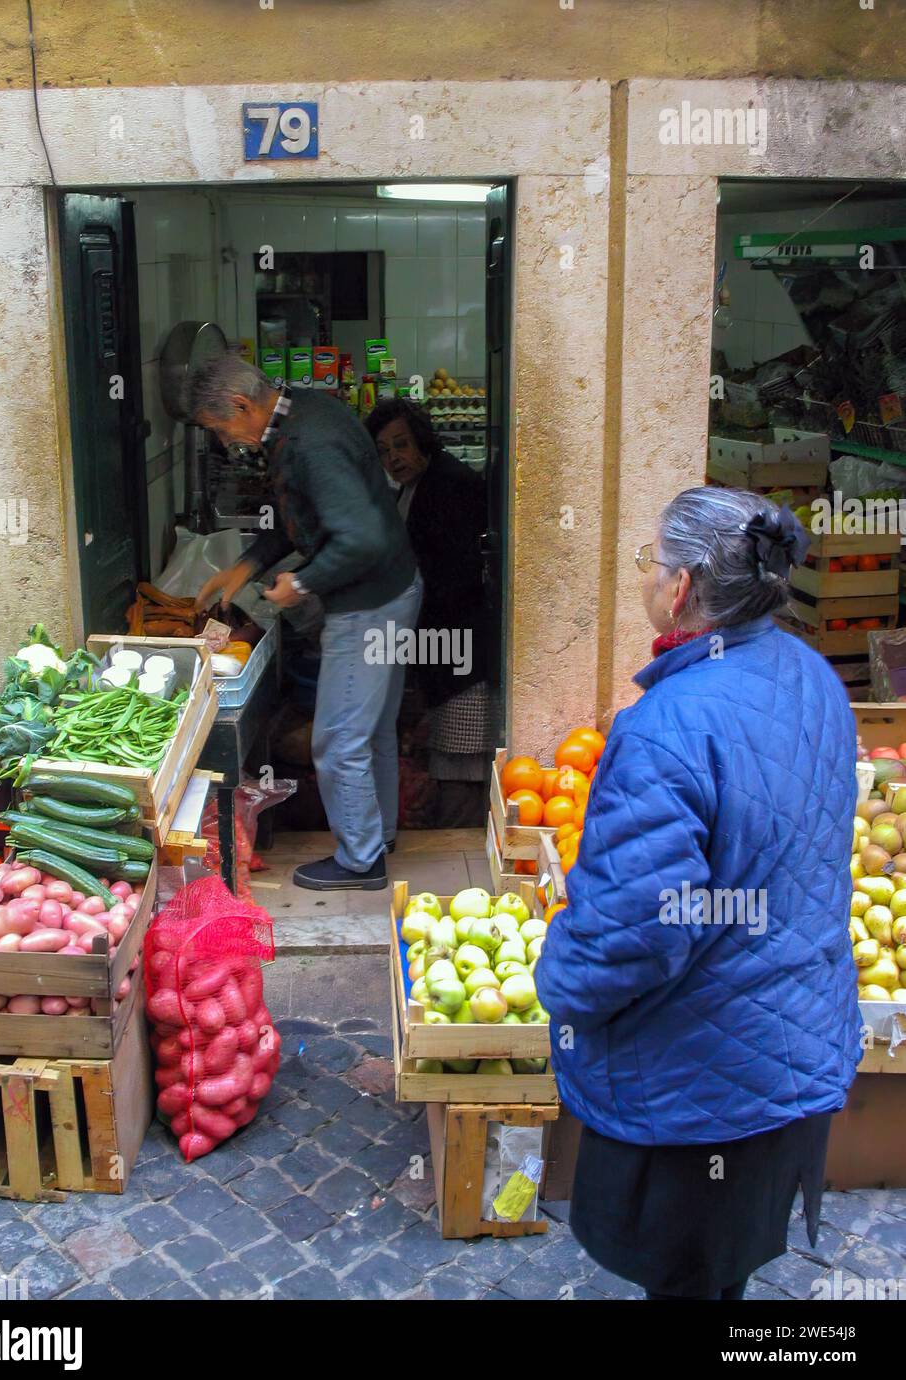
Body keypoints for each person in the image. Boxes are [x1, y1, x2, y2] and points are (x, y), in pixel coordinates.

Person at [535, 486, 861, 1301]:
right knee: (722, 1275)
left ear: (679, 590)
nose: (646, 577)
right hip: (791, 1048)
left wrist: (557, 989)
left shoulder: (666, 725)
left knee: (688, 1277)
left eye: (651, 563)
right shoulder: (811, 675)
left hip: (695, 1082)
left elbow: (632, 929)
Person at [188, 354, 422, 892]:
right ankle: (377, 835)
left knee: (338, 740)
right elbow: (305, 515)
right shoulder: (299, 410)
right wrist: (246, 567)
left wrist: (304, 582)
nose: (225, 442)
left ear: (243, 405)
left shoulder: (311, 443)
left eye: (220, 428)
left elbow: (362, 539)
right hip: (393, 590)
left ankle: (361, 862)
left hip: (367, 607)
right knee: (372, 730)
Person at [365, 399, 498, 825]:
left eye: (401, 445)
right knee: (448, 758)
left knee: (462, 763)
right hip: (442, 647)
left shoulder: (449, 485)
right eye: (384, 451)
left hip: (462, 650)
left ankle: (463, 855)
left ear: (423, 439)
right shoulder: (418, 484)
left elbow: (451, 578)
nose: (394, 458)